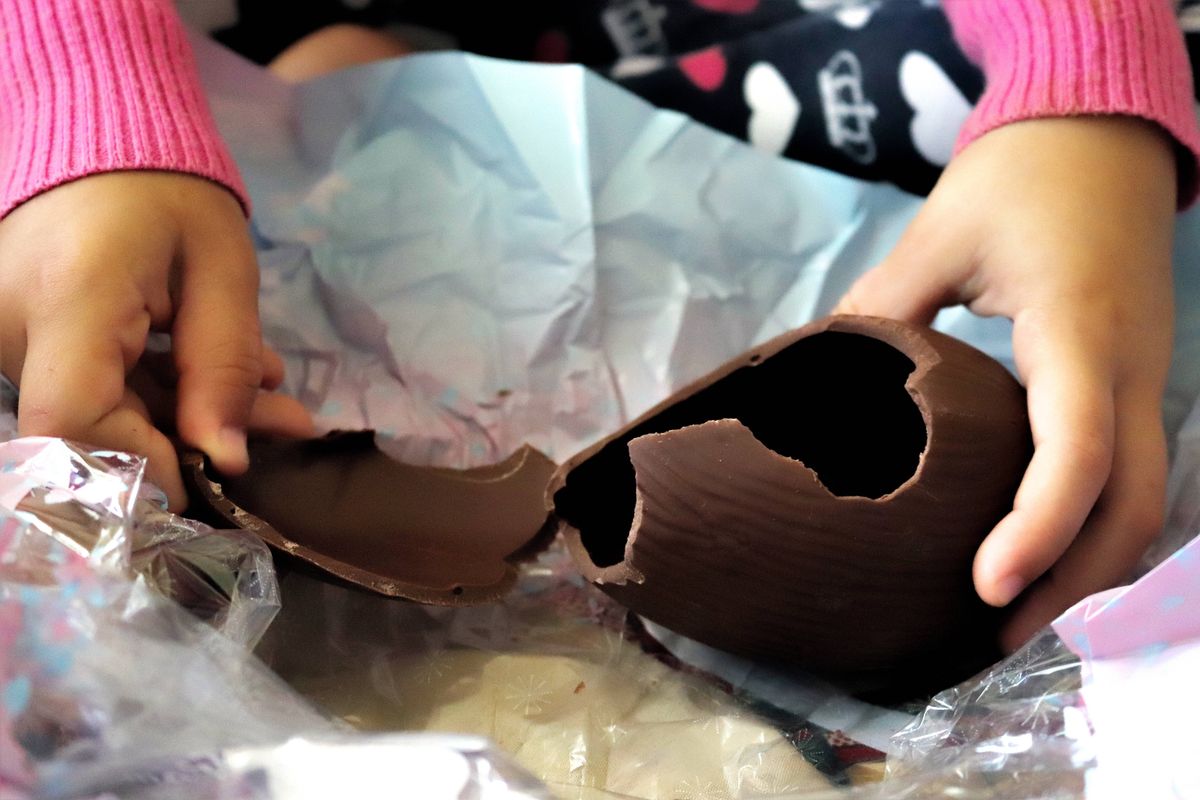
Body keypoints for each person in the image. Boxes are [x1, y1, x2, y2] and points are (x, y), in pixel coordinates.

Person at [0, 0, 1196, 652]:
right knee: (322, 73)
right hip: (208, 62)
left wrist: (1086, 81)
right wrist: (77, 89)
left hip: (883, 65)